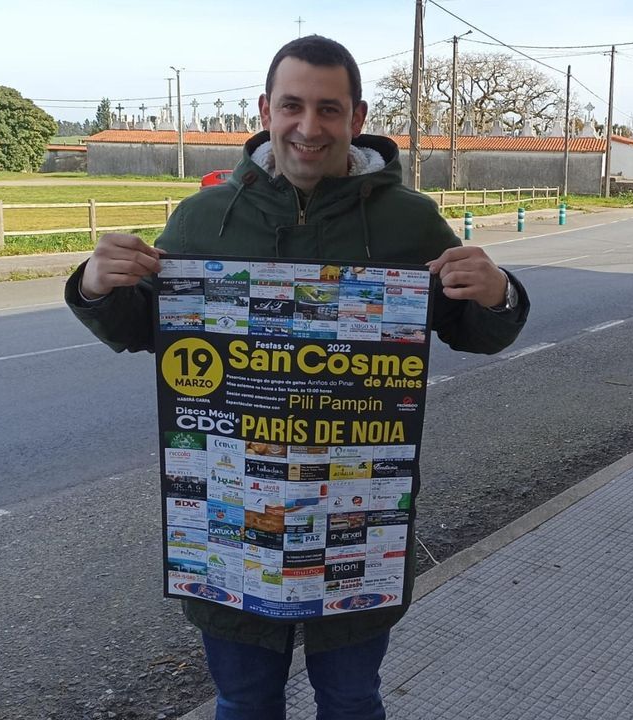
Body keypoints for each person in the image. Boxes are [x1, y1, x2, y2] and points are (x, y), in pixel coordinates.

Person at [64, 35, 528, 720]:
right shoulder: (203, 218)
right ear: (265, 109)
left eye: (329, 109)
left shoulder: (410, 221)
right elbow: (143, 330)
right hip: (232, 523)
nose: (309, 127)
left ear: (357, 117)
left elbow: (475, 331)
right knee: (244, 701)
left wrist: (498, 294)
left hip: (358, 520)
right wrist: (97, 285)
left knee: (351, 699)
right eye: (293, 106)